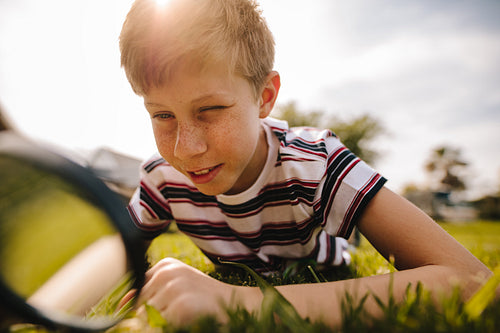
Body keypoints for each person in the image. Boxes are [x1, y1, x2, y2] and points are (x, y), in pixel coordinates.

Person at [119, 0, 493, 328]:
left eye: (211, 110)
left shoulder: (314, 163)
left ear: (264, 97)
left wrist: (242, 303)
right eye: (162, 115)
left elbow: (472, 280)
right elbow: (106, 257)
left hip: (326, 264)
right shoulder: (161, 177)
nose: (186, 149)